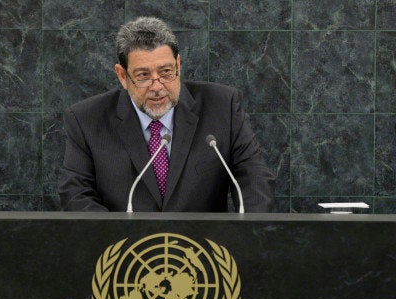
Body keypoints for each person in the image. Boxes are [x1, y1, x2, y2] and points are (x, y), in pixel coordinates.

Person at [59, 17, 275, 212]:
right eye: (143, 75)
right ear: (123, 76)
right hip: (126, 250)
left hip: (204, 250)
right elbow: (76, 194)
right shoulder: (86, 119)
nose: (157, 86)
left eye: (166, 72)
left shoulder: (222, 106)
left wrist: (246, 237)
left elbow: (253, 178)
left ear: (178, 65)